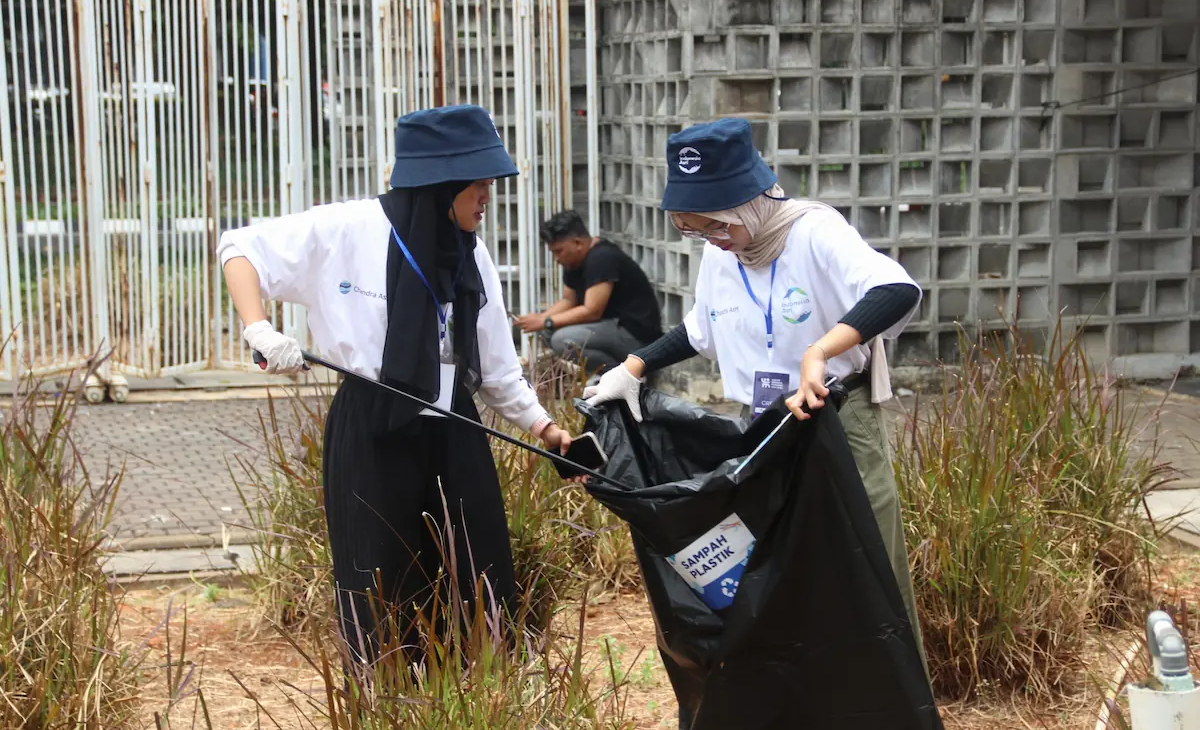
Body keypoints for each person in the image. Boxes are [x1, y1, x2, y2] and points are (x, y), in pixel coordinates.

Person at [217, 104, 573, 665]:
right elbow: (240, 249)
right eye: (478, 184)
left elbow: (497, 366)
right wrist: (258, 326)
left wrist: (544, 426)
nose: (487, 197)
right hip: (373, 426)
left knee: (476, 571)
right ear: (441, 183)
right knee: (380, 576)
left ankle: (477, 705)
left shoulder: (470, 251)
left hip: (454, 426)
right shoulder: (345, 229)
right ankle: (391, 707)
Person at [582, 117, 929, 677]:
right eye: (696, 231)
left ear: (749, 199)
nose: (712, 239)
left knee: (866, 568)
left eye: (717, 225)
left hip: (836, 421)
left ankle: (890, 701)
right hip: (763, 429)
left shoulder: (815, 232)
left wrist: (818, 352)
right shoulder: (724, 253)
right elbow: (701, 328)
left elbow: (895, 289)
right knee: (781, 571)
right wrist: (634, 367)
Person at [513, 208, 662, 373]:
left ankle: (624, 376)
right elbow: (568, 300)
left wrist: (546, 321)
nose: (556, 258)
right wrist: (540, 319)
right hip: (610, 327)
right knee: (547, 333)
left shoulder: (601, 258)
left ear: (577, 243)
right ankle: (616, 374)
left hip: (635, 335)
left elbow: (592, 311)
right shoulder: (573, 261)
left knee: (561, 340)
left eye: (558, 251)